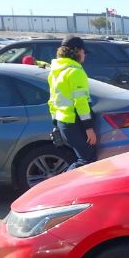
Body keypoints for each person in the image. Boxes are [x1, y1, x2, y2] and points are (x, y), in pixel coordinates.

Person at [48, 36, 97, 170]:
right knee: (87, 159)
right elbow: (81, 102)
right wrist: (89, 128)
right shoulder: (75, 71)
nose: (84, 55)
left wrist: (55, 124)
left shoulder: (55, 71)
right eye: (83, 52)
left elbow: (52, 100)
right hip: (75, 122)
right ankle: (61, 186)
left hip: (63, 122)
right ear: (76, 51)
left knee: (84, 158)